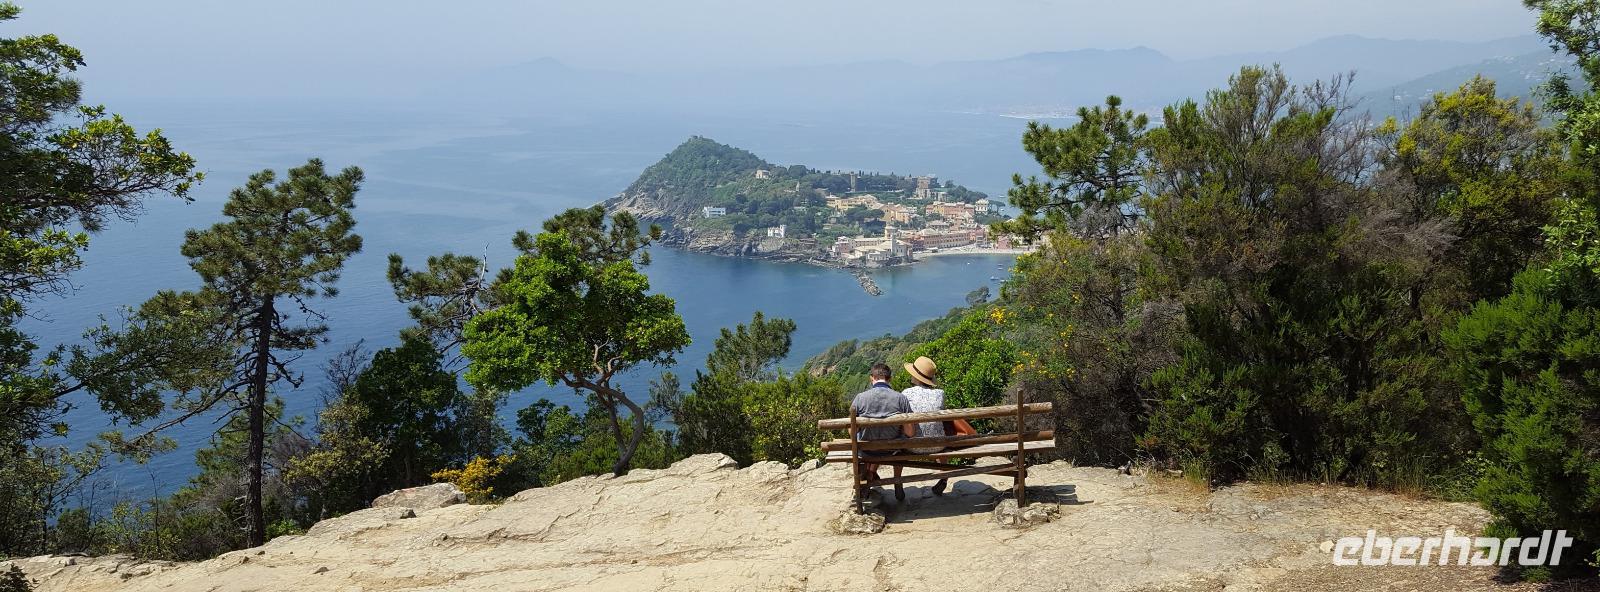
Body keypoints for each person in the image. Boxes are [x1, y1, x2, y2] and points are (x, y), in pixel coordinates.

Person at [850, 363, 915, 501]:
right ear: (889, 379)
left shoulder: (860, 398)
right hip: (892, 450)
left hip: (867, 451)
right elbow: (910, 432)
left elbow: (852, 432)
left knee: (866, 439)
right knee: (902, 441)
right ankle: (897, 479)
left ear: (871, 378)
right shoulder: (900, 398)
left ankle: (868, 477)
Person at [901, 356, 950, 495]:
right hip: (938, 445)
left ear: (916, 376)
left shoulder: (906, 393)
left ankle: (898, 481)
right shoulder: (940, 394)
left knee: (900, 435)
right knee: (939, 432)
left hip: (913, 447)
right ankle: (944, 478)